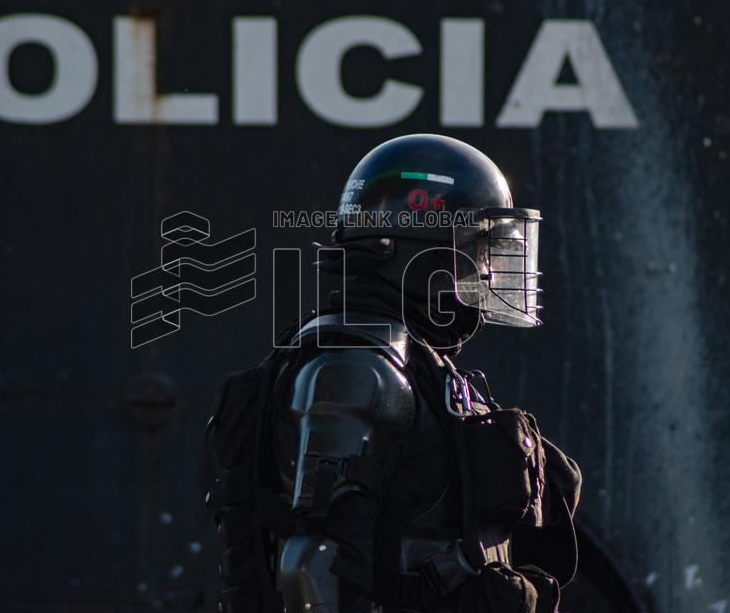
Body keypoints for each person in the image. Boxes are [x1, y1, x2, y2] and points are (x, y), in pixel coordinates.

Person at [207, 134, 581, 613]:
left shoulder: (410, 363)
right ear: (429, 253)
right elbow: (313, 565)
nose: (487, 271)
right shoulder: (354, 367)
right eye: (479, 251)